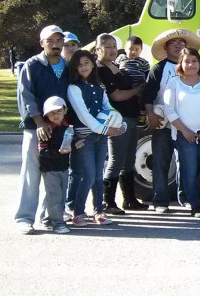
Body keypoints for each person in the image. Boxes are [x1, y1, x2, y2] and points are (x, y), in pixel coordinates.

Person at [14, 24, 69, 234]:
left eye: (58, 41)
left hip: (60, 130)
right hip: (36, 128)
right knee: (31, 174)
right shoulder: (33, 65)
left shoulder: (66, 66)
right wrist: (39, 122)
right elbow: (26, 96)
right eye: (50, 41)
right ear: (42, 43)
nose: (55, 45)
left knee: (54, 174)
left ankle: (50, 217)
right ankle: (24, 218)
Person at [144, 28, 200, 213]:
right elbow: (148, 95)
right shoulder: (158, 69)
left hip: (187, 125)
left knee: (187, 162)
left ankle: (186, 197)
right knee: (161, 162)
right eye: (173, 43)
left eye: (181, 42)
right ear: (166, 47)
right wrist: (150, 114)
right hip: (164, 125)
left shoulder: (195, 69)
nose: (178, 45)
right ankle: (159, 201)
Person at [67, 49, 125, 227]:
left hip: (101, 137)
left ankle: (99, 211)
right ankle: (77, 213)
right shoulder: (73, 88)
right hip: (84, 137)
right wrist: (104, 129)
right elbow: (83, 114)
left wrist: (121, 124)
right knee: (88, 175)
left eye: (86, 63)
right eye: (79, 64)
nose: (83, 67)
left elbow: (109, 108)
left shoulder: (99, 87)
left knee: (99, 175)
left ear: (93, 64)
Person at [163, 48, 200, 217]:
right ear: (180, 63)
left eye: (194, 61)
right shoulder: (174, 82)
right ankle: (195, 205)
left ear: (199, 63)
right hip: (184, 135)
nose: (191, 64)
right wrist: (184, 130)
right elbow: (170, 110)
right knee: (189, 171)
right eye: (187, 61)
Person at [95, 33, 146, 213]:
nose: (111, 50)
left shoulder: (116, 66)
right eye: (107, 46)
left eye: (114, 46)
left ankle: (130, 199)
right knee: (116, 159)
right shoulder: (100, 69)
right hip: (117, 119)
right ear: (98, 49)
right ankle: (108, 202)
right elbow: (116, 95)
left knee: (129, 159)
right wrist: (137, 90)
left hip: (131, 117)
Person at [39, 96, 72, 234]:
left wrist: (75, 145)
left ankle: (47, 218)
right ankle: (57, 223)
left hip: (63, 167)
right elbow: (42, 150)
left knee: (62, 195)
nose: (56, 115)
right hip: (50, 168)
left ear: (65, 110)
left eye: (59, 111)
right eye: (52, 113)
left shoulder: (67, 126)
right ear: (46, 114)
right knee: (54, 196)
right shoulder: (46, 129)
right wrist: (58, 152)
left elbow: (71, 141)